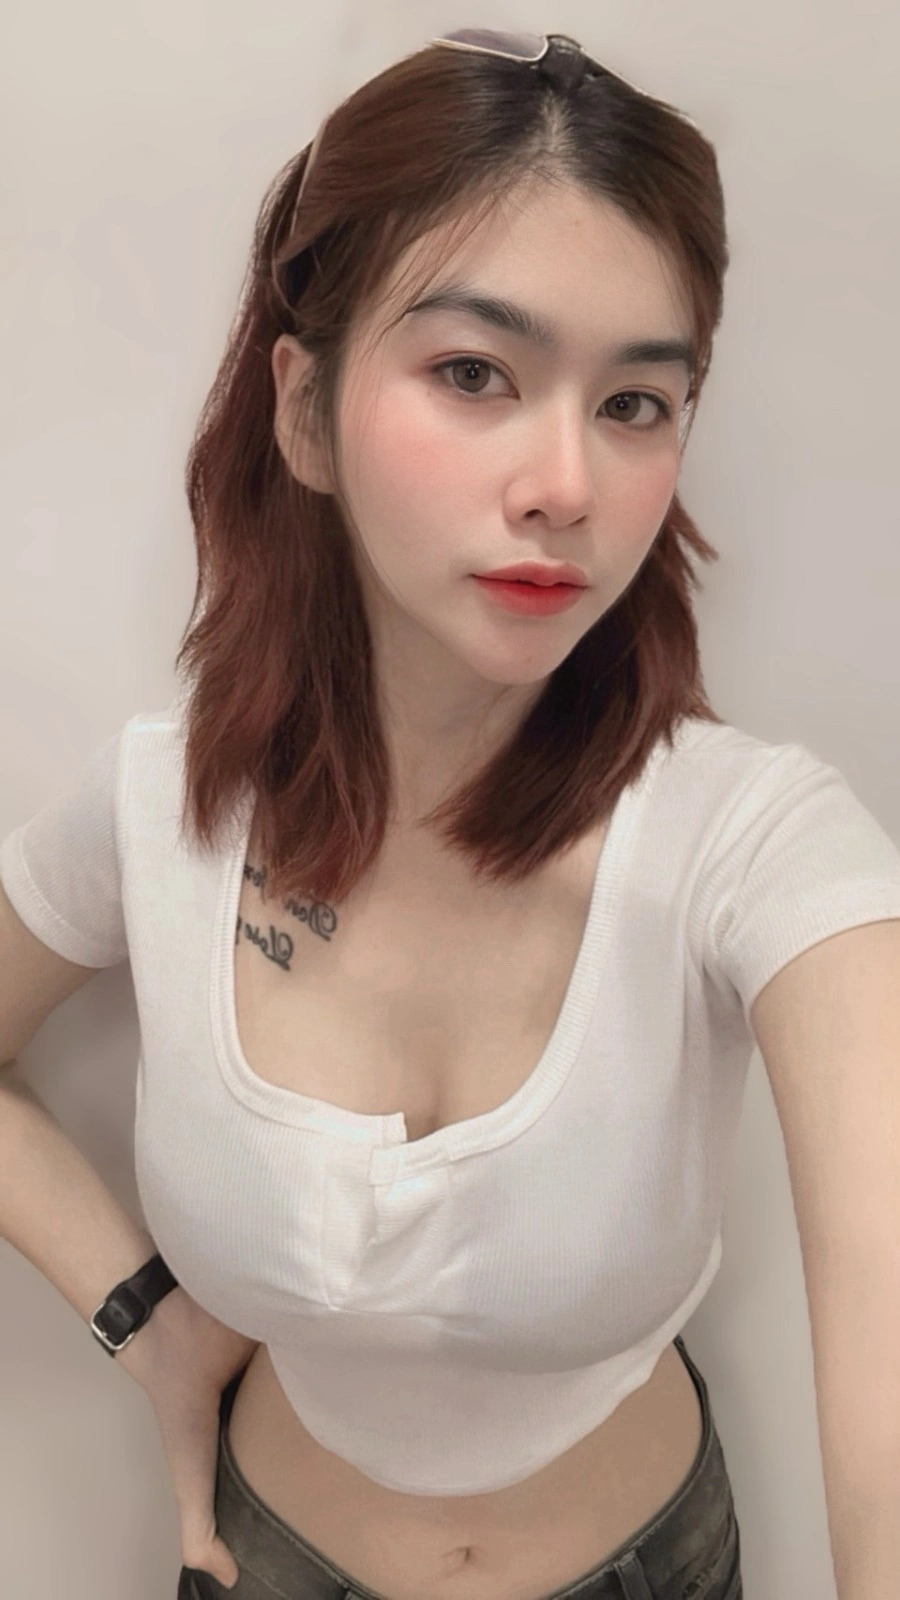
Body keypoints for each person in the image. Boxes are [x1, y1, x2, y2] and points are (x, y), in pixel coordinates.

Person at [4, 27, 900, 1600]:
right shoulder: (160, 804)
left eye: (637, 401)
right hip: (260, 1562)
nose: (568, 482)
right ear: (303, 411)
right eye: (475, 372)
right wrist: (146, 1324)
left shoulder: (757, 845)